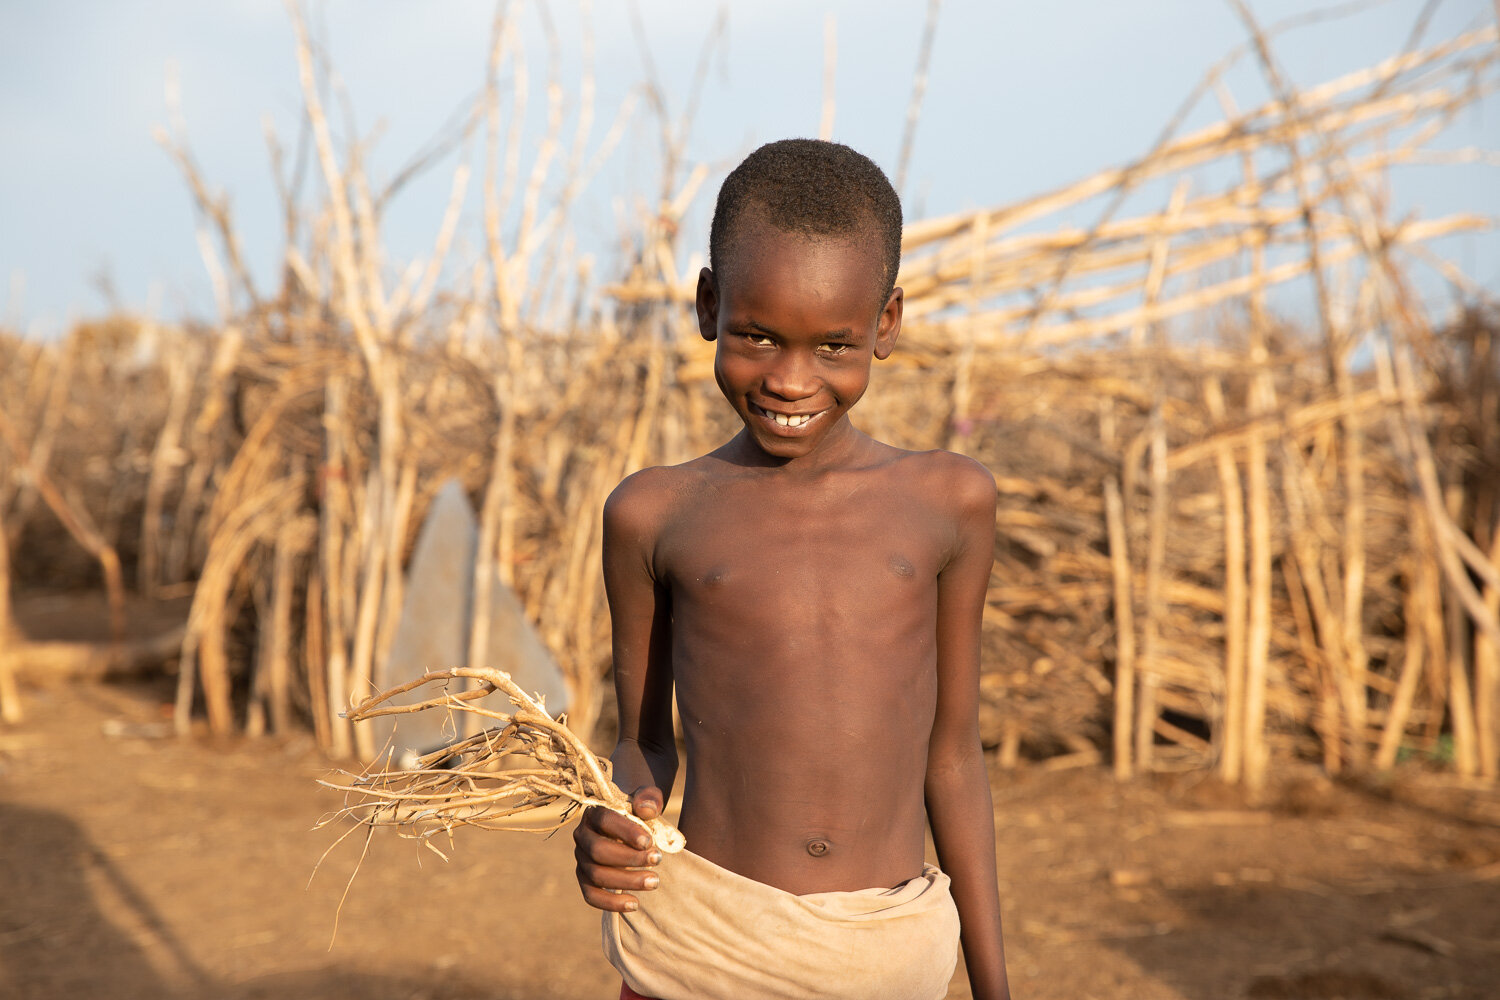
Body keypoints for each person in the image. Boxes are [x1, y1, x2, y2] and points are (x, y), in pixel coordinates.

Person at [573, 138, 1011, 1000]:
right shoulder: (653, 513)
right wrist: (614, 818)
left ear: (885, 325)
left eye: (832, 348)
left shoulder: (948, 502)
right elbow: (642, 740)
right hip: (702, 948)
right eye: (758, 336)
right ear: (708, 304)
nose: (789, 379)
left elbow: (953, 755)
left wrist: (995, 988)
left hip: (883, 954)